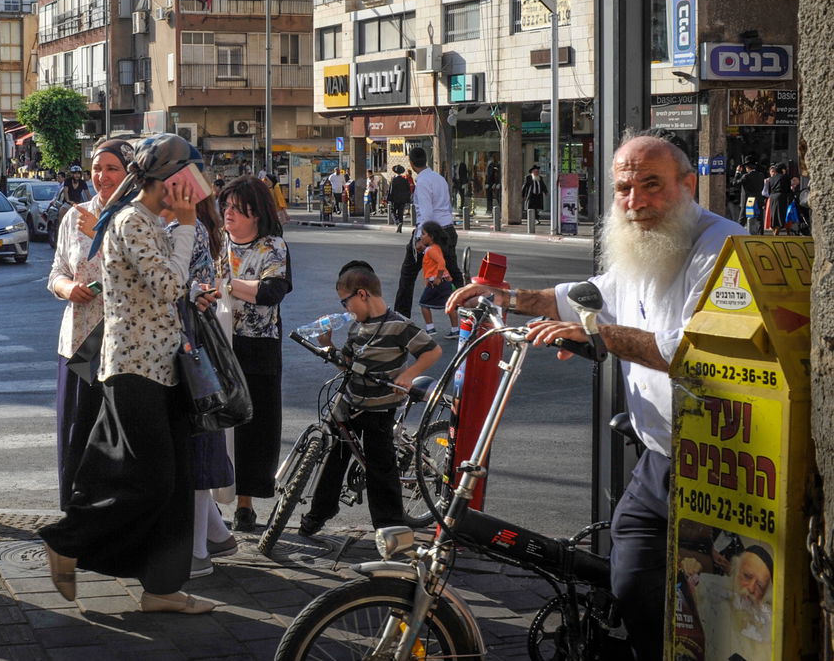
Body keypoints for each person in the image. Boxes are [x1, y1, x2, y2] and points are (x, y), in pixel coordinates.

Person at [445, 130, 745, 661]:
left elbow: (691, 352)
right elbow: (586, 295)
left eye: (652, 185)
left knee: (702, 599)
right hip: (659, 457)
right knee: (630, 578)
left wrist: (598, 335)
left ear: (688, 184)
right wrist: (510, 299)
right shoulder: (647, 246)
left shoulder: (720, 247)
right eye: (625, 188)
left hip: (713, 461)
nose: (636, 201)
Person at [39, 134, 213, 614]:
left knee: (172, 483)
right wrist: (187, 224)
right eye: (191, 175)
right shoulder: (133, 221)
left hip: (163, 368)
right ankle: (66, 540)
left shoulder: (151, 220)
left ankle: (161, 587)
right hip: (133, 369)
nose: (198, 185)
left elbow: (180, 283)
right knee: (151, 480)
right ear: (169, 179)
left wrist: (183, 231)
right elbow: (167, 284)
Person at [299, 262, 441, 538]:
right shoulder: (356, 328)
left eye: (346, 302)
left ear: (362, 294)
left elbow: (432, 351)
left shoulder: (398, 326)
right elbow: (348, 365)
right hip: (351, 403)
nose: (345, 309)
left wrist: (409, 375)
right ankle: (319, 513)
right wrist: (329, 346)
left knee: (380, 466)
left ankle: (389, 528)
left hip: (381, 407)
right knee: (334, 459)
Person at [46, 137, 132, 509]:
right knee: (77, 433)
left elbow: (141, 276)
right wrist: (68, 288)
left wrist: (101, 231)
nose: (102, 176)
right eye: (97, 168)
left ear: (129, 173)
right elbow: (56, 273)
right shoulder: (74, 214)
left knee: (119, 439)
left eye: (112, 168)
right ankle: (75, 514)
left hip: (126, 347)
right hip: (81, 343)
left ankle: (115, 519)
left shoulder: (139, 216)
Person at [216, 176, 293, 532]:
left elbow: (271, 291)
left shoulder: (272, 246)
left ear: (256, 214)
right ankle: (213, 500)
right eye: (226, 206)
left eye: (237, 208)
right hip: (217, 343)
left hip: (258, 347)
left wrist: (225, 286)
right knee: (216, 423)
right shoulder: (216, 243)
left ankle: (245, 502)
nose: (228, 213)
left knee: (253, 427)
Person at [166, 190, 236, 578]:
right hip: (182, 348)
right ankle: (214, 534)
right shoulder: (185, 226)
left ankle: (195, 551)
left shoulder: (184, 230)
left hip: (185, 348)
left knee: (191, 443)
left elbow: (190, 287)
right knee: (189, 442)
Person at [392, 147, 462, 318]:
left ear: (411, 163)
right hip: (448, 229)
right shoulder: (439, 178)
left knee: (408, 275)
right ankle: (466, 313)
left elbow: (427, 213)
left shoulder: (423, 182)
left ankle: (401, 318)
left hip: (431, 232)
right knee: (453, 273)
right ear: (426, 160)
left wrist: (420, 239)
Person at [416, 221, 459, 337]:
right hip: (445, 282)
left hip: (436, 282)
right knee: (449, 305)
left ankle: (430, 329)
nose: (421, 236)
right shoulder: (435, 247)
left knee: (423, 304)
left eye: (424, 234)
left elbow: (441, 262)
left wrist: (438, 278)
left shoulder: (431, 250)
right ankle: (455, 330)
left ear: (431, 237)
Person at [733, 159, 766, 234]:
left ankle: (737, 234)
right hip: (758, 199)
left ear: (747, 167)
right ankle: (760, 236)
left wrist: (737, 172)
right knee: (759, 220)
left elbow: (735, 183)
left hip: (747, 201)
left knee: (742, 220)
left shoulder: (746, 176)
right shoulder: (761, 175)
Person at [386, 165, 412, 232]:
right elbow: (408, 190)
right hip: (402, 199)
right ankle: (400, 225)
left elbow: (391, 190)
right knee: (400, 212)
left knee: (392, 211)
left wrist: (389, 199)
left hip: (395, 199)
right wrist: (407, 199)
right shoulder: (405, 180)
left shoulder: (394, 180)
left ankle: (397, 223)